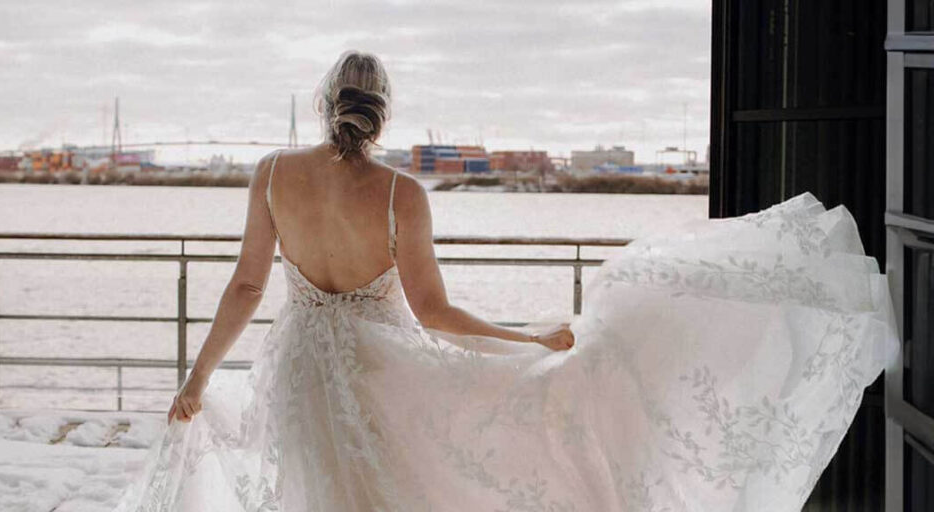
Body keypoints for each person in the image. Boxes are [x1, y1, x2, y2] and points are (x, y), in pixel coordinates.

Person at [112, 51, 898, 512]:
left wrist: (199, 375)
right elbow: (435, 313)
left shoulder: (273, 174)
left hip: (300, 376)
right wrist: (527, 341)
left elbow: (247, 288)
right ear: (383, 117)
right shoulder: (399, 196)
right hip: (382, 376)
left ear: (324, 107)